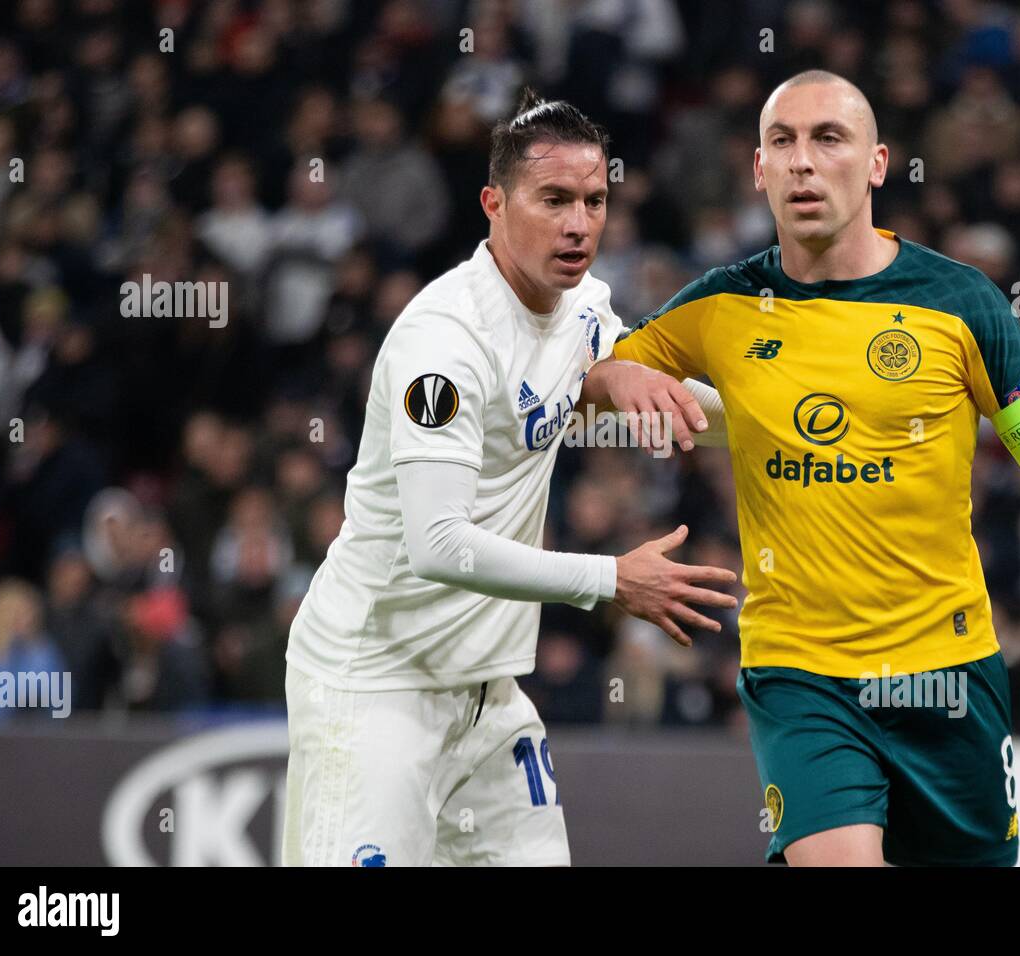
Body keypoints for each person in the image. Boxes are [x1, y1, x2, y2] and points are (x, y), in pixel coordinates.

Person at [582, 70, 1020, 866]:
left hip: (949, 672)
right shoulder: (721, 304)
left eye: (828, 139)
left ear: (877, 164)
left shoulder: (961, 303)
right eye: (781, 142)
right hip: (803, 676)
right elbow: (594, 376)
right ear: (758, 170)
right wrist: (618, 371)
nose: (802, 162)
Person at [282, 91, 736, 867]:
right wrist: (610, 579)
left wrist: (807, 421)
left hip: (488, 693)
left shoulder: (585, 308)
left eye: (594, 200)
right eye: (553, 199)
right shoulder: (445, 343)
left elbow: (669, 401)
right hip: (375, 685)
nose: (579, 223)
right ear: (493, 203)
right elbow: (437, 544)